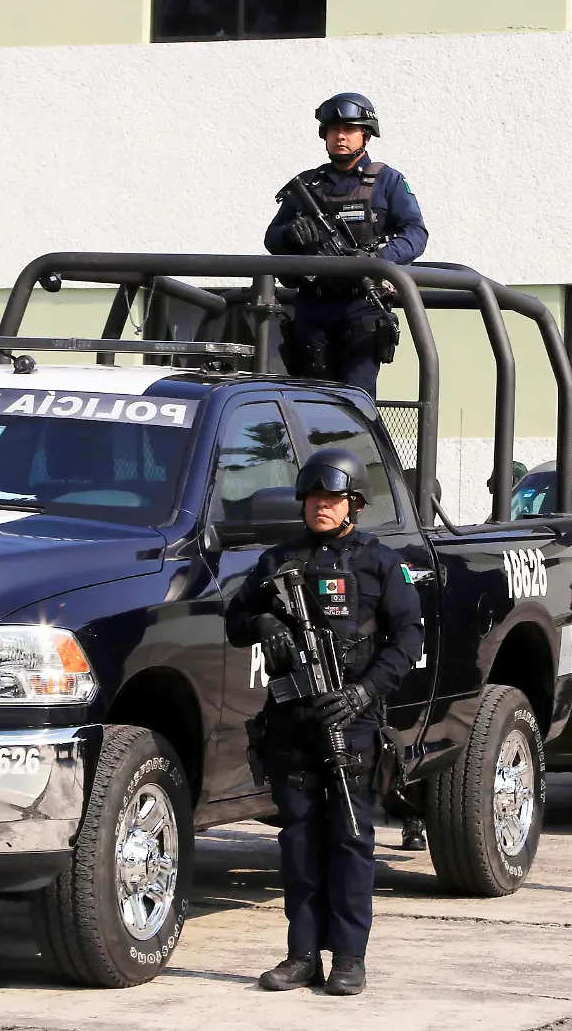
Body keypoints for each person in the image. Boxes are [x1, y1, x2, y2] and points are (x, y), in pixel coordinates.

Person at [225, 449, 424, 996]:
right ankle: (301, 954)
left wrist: (364, 691)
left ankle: (350, 958)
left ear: (353, 505)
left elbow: (408, 638)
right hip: (293, 722)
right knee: (299, 842)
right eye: (314, 498)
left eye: (332, 499)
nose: (321, 507)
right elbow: (235, 621)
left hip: (352, 721)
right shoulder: (278, 561)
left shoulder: (380, 563)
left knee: (351, 841)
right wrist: (264, 619)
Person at [265, 92, 429, 397]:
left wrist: (377, 259)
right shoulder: (308, 185)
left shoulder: (387, 181)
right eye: (333, 130)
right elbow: (271, 239)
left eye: (349, 130)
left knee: (356, 401)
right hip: (314, 304)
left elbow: (416, 234)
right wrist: (292, 233)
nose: (340, 137)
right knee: (310, 399)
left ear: (365, 135)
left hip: (363, 304)